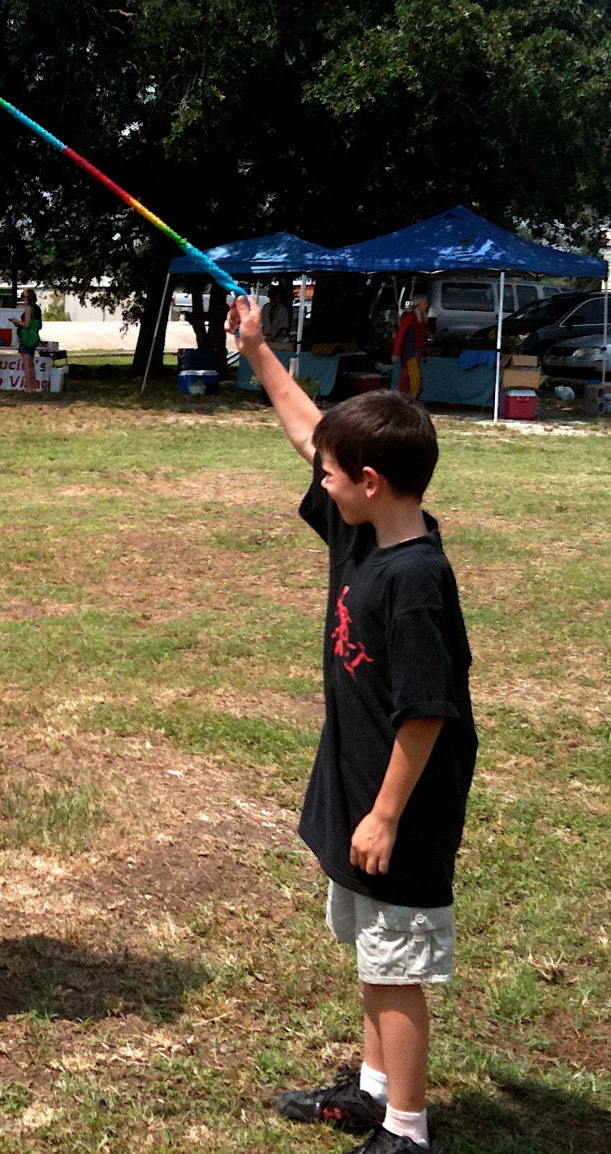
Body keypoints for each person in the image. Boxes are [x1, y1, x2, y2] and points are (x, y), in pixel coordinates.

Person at [228, 294, 477, 1154]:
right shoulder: (364, 529)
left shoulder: (413, 580)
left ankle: (407, 1131)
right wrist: (258, 352)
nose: (317, 479)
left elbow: (427, 713)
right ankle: (374, 1092)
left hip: (399, 803)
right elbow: (312, 434)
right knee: (375, 952)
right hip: (360, 782)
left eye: (331, 474)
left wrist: (385, 812)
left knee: (398, 967)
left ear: (369, 482)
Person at [392, 295, 431, 400]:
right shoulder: (410, 317)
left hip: (417, 351)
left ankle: (408, 398)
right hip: (410, 351)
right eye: (424, 303)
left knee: (412, 376)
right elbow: (400, 334)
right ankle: (409, 398)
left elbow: (422, 338)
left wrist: (425, 353)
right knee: (413, 376)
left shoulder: (421, 318)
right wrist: (395, 352)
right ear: (418, 305)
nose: (426, 306)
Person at [10, 287, 43, 391]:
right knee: (31, 364)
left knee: (27, 364)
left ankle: (29, 387)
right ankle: (33, 386)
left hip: (26, 337)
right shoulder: (37, 308)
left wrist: (17, 322)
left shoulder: (28, 308)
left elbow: (26, 323)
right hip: (34, 337)